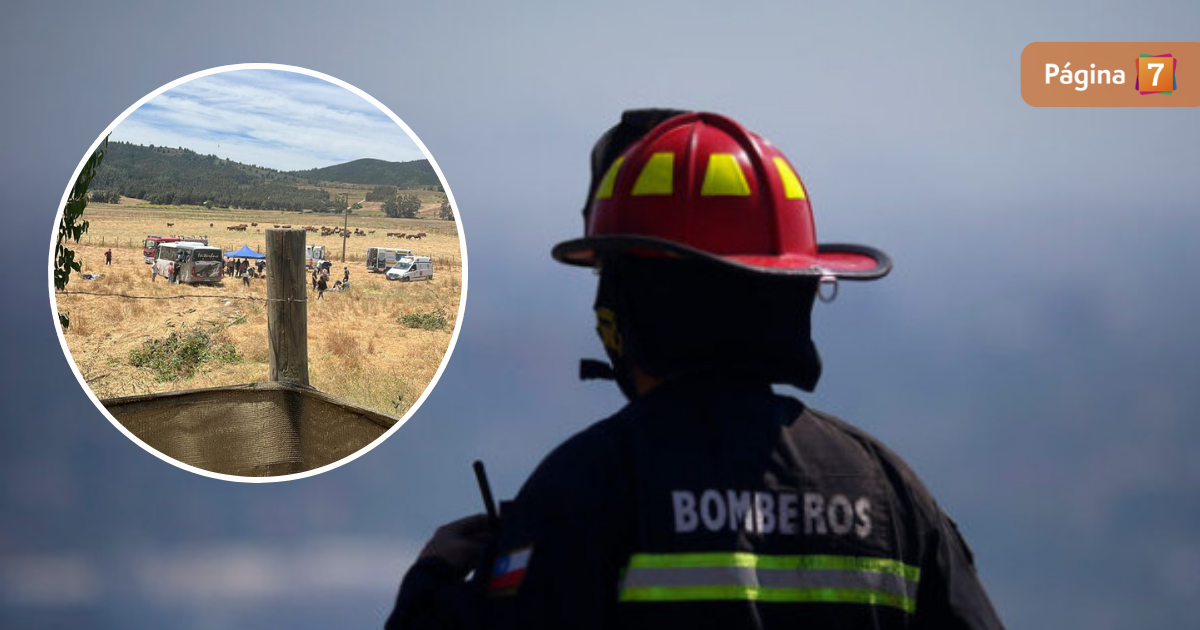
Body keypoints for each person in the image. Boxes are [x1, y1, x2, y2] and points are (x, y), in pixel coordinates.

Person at [386, 111, 1004, 630]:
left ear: (632, 302)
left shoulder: (588, 490)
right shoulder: (890, 494)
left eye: (608, 279)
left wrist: (434, 580)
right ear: (794, 291)